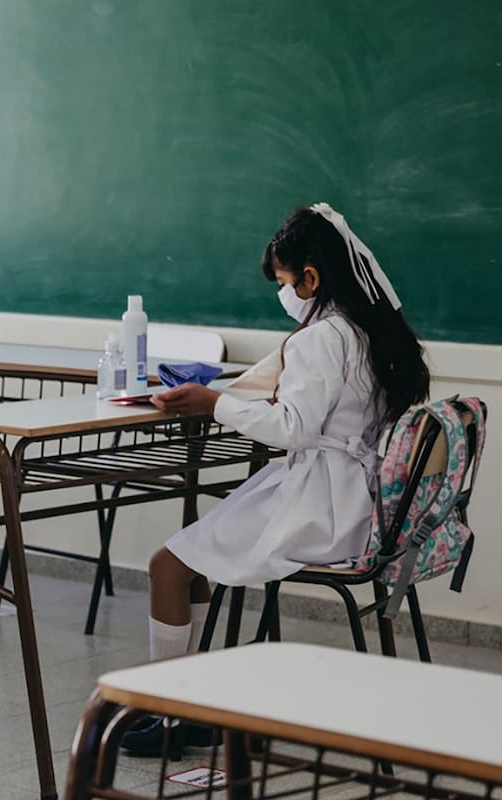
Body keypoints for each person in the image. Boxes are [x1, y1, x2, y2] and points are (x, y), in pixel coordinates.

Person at [122, 203, 430, 756]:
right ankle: (188, 708)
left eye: (286, 282)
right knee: (192, 565)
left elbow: (292, 428)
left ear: (311, 278)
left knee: (166, 566)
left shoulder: (320, 338)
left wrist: (215, 403)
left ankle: (167, 714)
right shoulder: (365, 330)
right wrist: (235, 399)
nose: (284, 295)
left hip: (320, 506)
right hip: (353, 502)